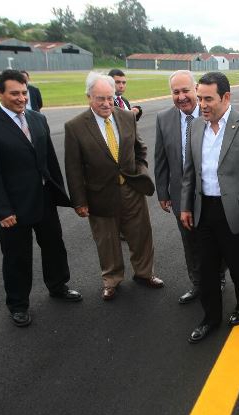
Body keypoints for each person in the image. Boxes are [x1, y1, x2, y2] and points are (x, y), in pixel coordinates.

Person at [0, 69, 81, 327]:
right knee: (17, 256)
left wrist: (59, 191)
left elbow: (49, 159)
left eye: (24, 93)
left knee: (54, 245)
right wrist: (2, 211)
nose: (21, 98)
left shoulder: (36, 119)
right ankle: (18, 303)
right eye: (14, 93)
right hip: (14, 207)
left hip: (43, 197)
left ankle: (58, 286)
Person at [180, 71, 239, 343]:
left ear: (226, 97)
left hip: (235, 211)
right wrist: (186, 206)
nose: (203, 105)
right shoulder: (196, 126)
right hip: (203, 209)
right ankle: (210, 318)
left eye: (209, 99)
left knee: (238, 264)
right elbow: (190, 171)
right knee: (206, 268)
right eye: (200, 98)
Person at [64, 72, 163, 301]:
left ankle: (145, 273)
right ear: (89, 97)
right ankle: (111, 280)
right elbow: (73, 168)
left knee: (141, 234)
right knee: (107, 240)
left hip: (131, 189)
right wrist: (79, 201)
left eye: (110, 97)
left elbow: (140, 150)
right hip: (100, 194)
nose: (107, 103)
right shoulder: (75, 127)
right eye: (100, 98)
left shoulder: (127, 117)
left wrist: (141, 173)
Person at [154, 70, 227, 305]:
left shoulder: (211, 114)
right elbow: (161, 158)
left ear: (195, 89)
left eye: (186, 90)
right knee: (190, 241)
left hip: (210, 192)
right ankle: (197, 283)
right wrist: (163, 193)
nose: (181, 96)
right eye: (176, 92)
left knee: (216, 239)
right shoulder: (164, 118)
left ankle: (218, 278)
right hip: (180, 194)